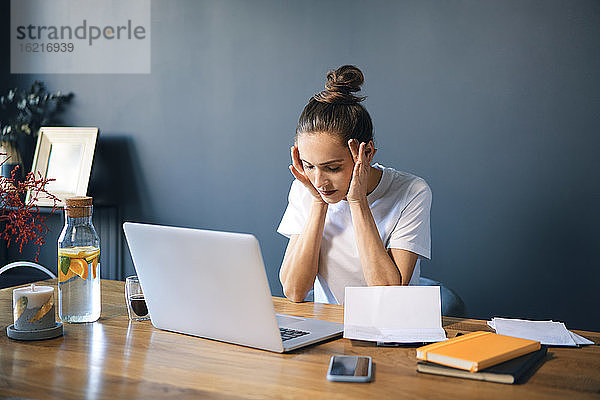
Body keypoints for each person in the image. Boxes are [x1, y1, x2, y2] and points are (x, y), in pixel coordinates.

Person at [277, 65, 431, 305]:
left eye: (333, 167)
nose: (319, 181)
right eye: (309, 165)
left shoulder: (411, 192)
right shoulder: (306, 189)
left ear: (366, 153)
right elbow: (295, 291)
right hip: (329, 329)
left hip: (390, 332)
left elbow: (388, 295)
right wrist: (318, 203)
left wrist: (357, 201)